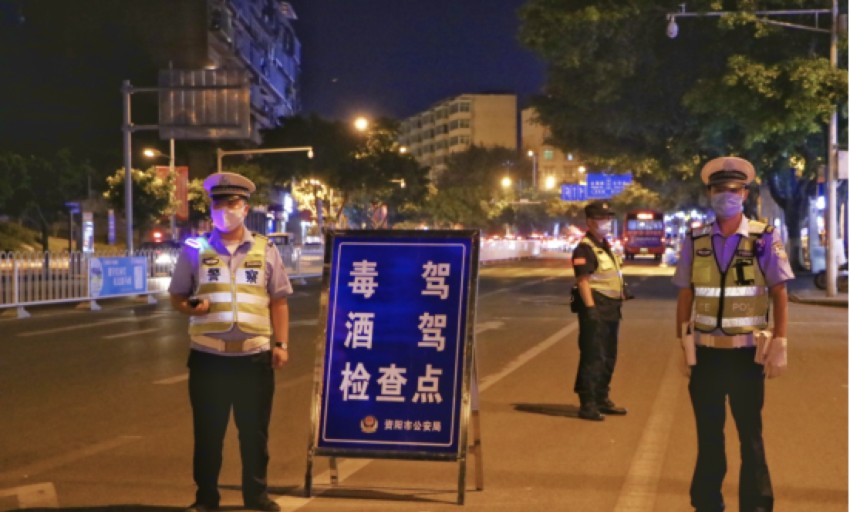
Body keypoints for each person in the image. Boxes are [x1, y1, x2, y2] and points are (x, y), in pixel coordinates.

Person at [673, 156, 794, 512]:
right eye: (719, 189)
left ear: (744, 193)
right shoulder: (695, 239)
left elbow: (779, 291)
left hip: (745, 356)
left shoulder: (763, 238)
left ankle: (756, 506)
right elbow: (685, 293)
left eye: (733, 189)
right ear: (709, 193)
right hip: (706, 355)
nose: (726, 195)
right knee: (709, 437)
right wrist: (683, 342)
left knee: (750, 436)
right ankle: (707, 503)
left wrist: (781, 340)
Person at [169, 172, 292, 512]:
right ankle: (206, 499)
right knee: (208, 435)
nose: (225, 210)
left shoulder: (266, 249)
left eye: (232, 203)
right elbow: (177, 295)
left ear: (245, 207)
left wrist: (281, 344)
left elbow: (279, 300)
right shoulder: (195, 249)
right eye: (218, 204)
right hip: (208, 357)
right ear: (211, 209)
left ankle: (257, 497)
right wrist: (190, 306)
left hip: (254, 357)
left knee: (254, 435)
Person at [570, 200, 628, 421]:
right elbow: (583, 280)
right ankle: (588, 403)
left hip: (611, 307)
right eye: (603, 219)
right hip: (595, 308)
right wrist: (591, 309)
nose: (607, 222)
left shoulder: (605, 247)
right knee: (593, 355)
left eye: (609, 218)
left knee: (609, 355)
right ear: (590, 221)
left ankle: (602, 398)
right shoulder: (584, 248)